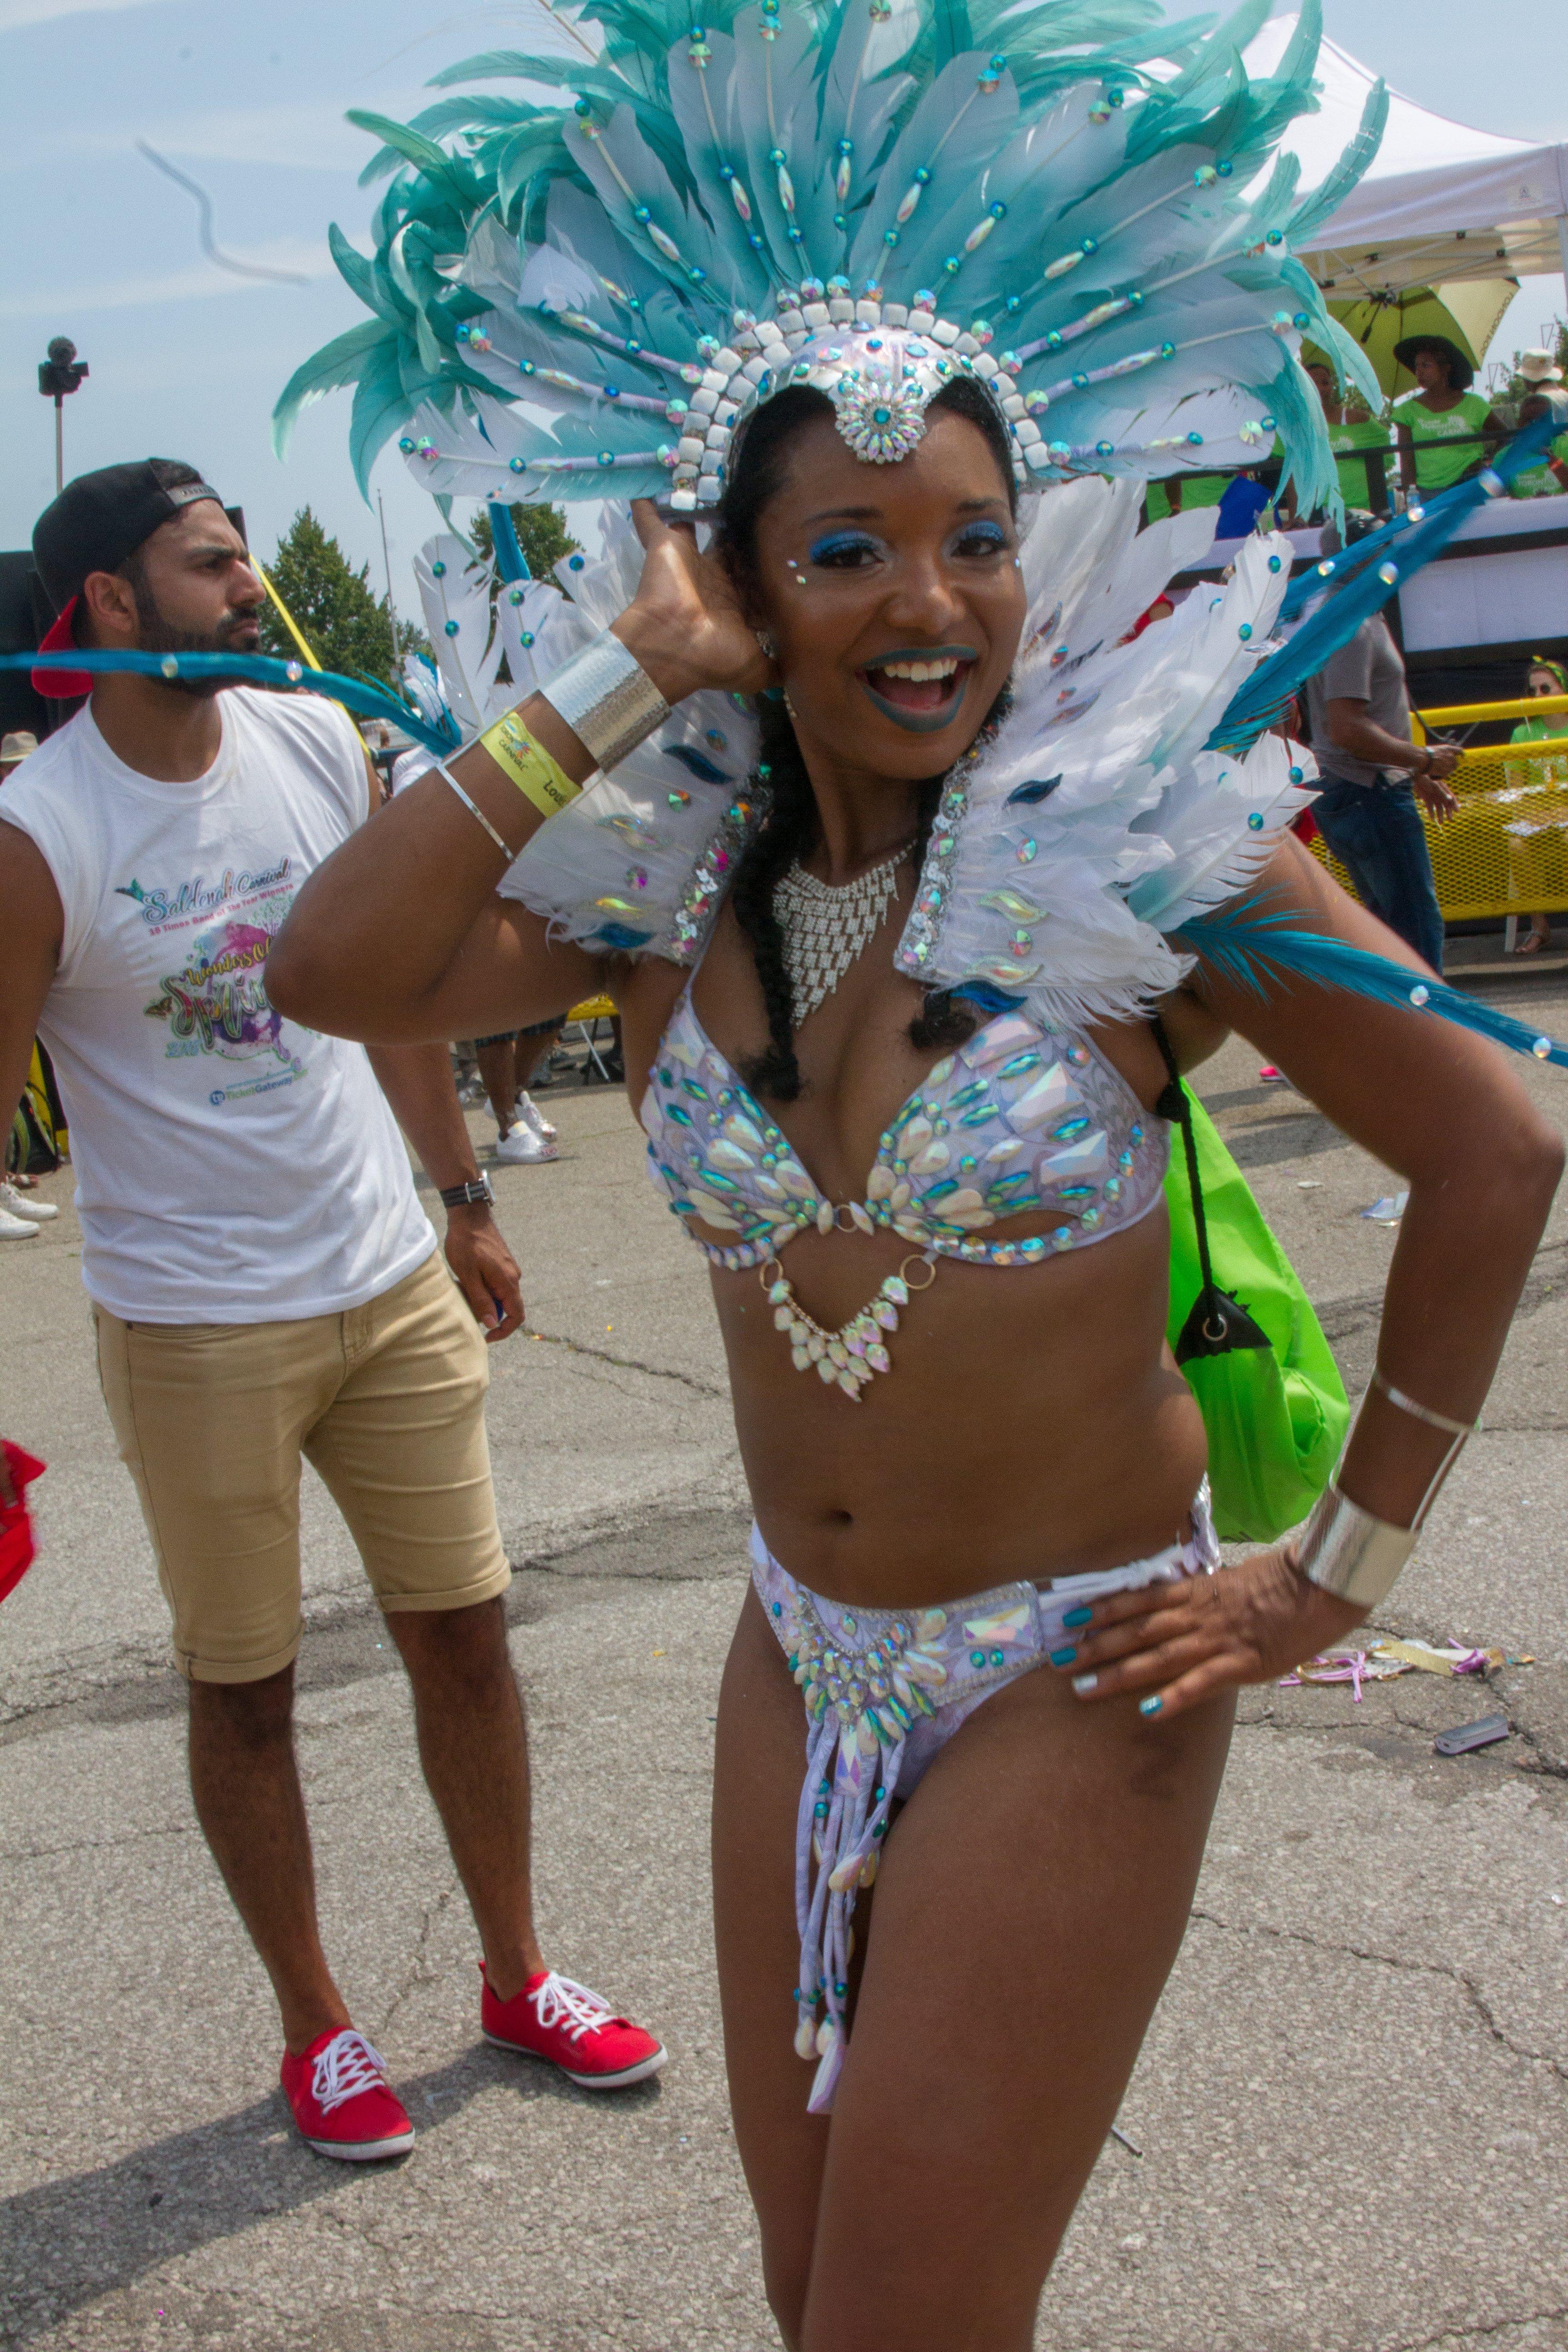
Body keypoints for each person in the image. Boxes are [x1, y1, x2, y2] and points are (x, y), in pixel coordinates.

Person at [259, 8, 1566, 2329]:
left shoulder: (1148, 853)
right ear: (737, 589)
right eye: (847, 549)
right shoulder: (667, 880)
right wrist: (605, 682)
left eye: (975, 541)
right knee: (805, 2287)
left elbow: (1494, 1145)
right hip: (800, 1646)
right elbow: (338, 971)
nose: (931, 601)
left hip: (1072, 1666)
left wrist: (1328, 1578)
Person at [0, 460, 663, 2164]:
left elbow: (392, 992)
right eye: (210, 564)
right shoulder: (42, 835)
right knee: (250, 1690)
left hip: (383, 1277)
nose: (249, 588)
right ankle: (319, 2025)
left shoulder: (313, 743)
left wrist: (460, 1200)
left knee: (468, 1635)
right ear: (112, 604)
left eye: (241, 557)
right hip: (194, 1322)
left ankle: (520, 1973)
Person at [1304, 528, 1459, 972]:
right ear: (1363, 556)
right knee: (1414, 938)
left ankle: (1409, 1035)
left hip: (1357, 791)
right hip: (1367, 794)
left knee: (1394, 937)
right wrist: (1423, 761)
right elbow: (1347, 727)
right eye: (1385, 545)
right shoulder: (1352, 623)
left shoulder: (1353, 610)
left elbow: (1370, 714)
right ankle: (1432, 1037)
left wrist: (1418, 774)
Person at [1505, 658, 1568, 953]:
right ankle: (1540, 928)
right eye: (1534, 691)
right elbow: (1515, 791)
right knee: (1516, 845)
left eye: (1546, 688)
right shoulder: (1522, 734)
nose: (1539, 696)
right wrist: (1533, 815)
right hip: (1537, 820)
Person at [1392, 334, 1504, 499]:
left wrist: (1492, 463)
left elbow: (1505, 436)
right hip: (1430, 492)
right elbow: (1407, 463)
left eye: (1426, 365)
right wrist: (1409, 498)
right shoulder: (1407, 411)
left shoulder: (1475, 404)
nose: (1419, 372)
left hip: (1472, 481)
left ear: (1445, 369)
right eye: (1417, 367)